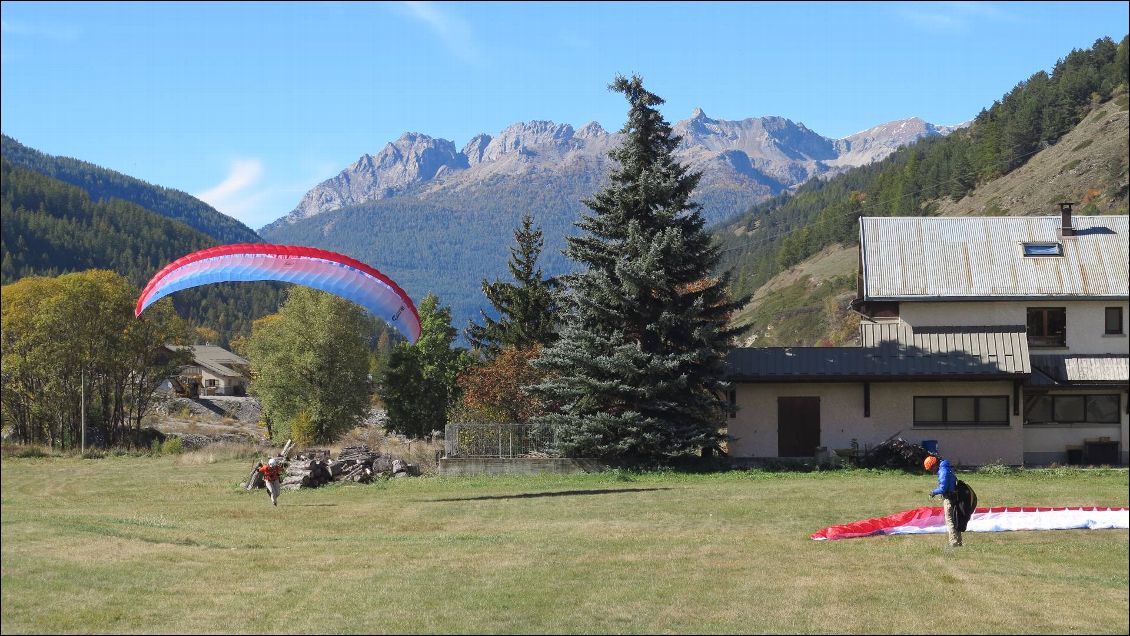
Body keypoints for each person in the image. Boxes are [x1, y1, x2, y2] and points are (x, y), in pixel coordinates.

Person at [924, 454, 974, 547]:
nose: (932, 472)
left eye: (931, 469)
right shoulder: (946, 468)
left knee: (950, 521)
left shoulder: (943, 472)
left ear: (934, 465)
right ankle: (959, 542)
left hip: (950, 499)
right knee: (956, 520)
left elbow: (943, 488)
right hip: (955, 497)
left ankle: (954, 543)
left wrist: (933, 492)